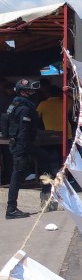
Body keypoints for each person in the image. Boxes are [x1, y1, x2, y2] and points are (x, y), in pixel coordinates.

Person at [4, 79, 43, 219]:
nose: (33, 93)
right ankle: (11, 209)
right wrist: (24, 148)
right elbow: (24, 131)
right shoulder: (24, 108)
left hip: (19, 144)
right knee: (17, 175)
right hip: (21, 145)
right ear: (22, 91)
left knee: (22, 172)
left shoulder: (16, 103)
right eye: (30, 90)